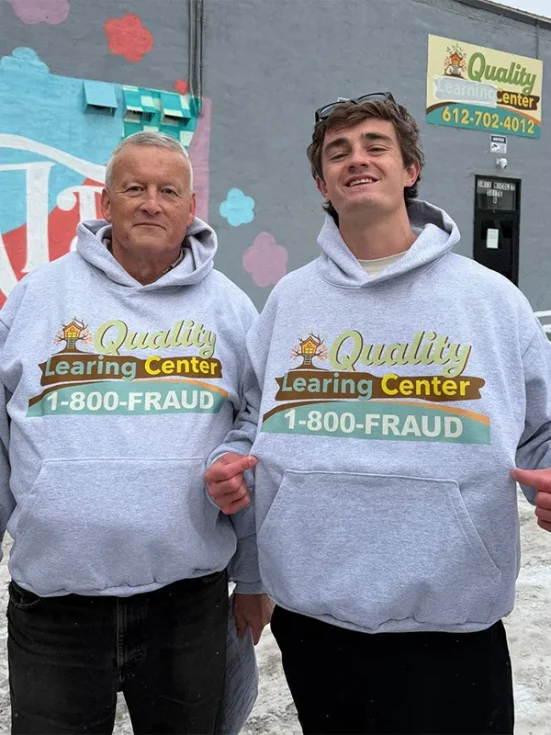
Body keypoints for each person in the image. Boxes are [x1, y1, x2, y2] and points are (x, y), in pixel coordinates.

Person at [206, 94, 551, 735]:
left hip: (451, 622)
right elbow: (253, 420)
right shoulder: (289, 300)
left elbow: (543, 429)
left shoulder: (491, 300)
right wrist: (229, 461)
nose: (356, 159)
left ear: (410, 169)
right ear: (322, 184)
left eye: (375, 146)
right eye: (338, 152)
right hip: (315, 619)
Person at [0, 131, 271, 735]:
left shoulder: (231, 309)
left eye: (168, 191)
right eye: (134, 188)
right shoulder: (37, 298)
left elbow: (256, 435)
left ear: (191, 208)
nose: (151, 203)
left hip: (188, 605)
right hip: (56, 607)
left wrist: (254, 577)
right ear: (106, 203)